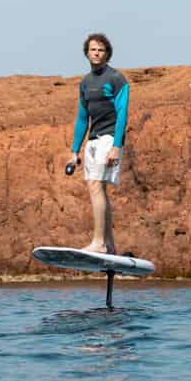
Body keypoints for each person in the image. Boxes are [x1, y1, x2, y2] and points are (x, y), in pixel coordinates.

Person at [66, 32, 130, 253]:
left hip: (109, 138)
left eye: (101, 50)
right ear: (87, 52)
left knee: (95, 186)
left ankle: (99, 243)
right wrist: (75, 151)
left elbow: (123, 114)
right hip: (93, 140)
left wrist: (116, 146)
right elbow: (83, 118)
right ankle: (109, 245)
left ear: (107, 54)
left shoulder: (116, 79)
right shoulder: (85, 82)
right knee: (98, 188)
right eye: (93, 49)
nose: (96, 53)